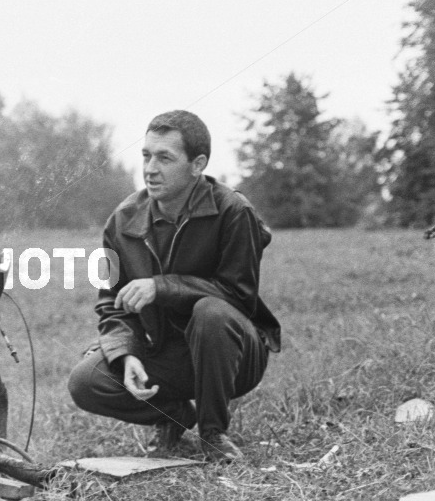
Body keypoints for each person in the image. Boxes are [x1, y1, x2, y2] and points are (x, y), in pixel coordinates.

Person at [67, 110, 281, 462]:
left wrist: (162, 287)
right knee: (86, 381)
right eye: (146, 155)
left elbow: (238, 297)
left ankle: (213, 434)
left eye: (165, 158)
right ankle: (175, 416)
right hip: (166, 353)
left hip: (234, 353)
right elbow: (110, 303)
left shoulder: (233, 211)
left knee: (210, 312)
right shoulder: (121, 222)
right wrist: (127, 353)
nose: (150, 168)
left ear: (197, 165)